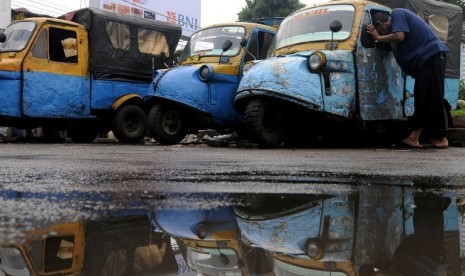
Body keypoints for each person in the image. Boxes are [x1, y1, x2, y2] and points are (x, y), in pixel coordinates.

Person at [366, 9, 449, 149]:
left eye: (380, 30)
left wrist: (378, 38)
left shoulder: (397, 13)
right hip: (426, 61)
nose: (382, 34)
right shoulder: (397, 27)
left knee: (433, 97)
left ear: (381, 23)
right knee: (421, 98)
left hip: (432, 56)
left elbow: (399, 36)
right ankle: (413, 138)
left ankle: (440, 138)